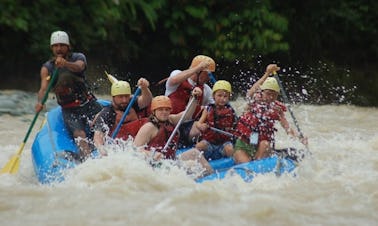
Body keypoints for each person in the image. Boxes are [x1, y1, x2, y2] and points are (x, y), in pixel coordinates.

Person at [35, 30, 102, 160]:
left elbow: (79, 67)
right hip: (70, 110)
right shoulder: (47, 68)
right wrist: (40, 102)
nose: (59, 48)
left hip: (88, 103)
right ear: (51, 48)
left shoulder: (78, 57)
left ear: (68, 46)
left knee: (104, 126)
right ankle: (88, 162)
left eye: (62, 45)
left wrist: (66, 64)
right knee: (79, 134)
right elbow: (43, 89)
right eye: (55, 46)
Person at [233, 64, 308, 163]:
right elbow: (250, 93)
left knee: (265, 144)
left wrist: (299, 139)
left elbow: (287, 127)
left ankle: (259, 161)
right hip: (244, 143)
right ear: (262, 92)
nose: (271, 97)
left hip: (261, 145)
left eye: (274, 94)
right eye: (268, 93)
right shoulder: (253, 101)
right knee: (246, 161)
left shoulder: (277, 109)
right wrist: (267, 73)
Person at [133, 93, 214, 177]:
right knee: (191, 167)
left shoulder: (170, 120)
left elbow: (187, 115)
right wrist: (152, 154)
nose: (164, 112)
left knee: (195, 153)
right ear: (154, 111)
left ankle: (212, 177)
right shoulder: (148, 127)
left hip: (170, 160)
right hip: (155, 166)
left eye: (167, 109)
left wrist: (194, 98)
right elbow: (135, 149)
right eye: (160, 109)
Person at [165, 55, 216, 147]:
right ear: (198, 72)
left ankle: (199, 147)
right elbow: (174, 80)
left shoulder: (206, 90)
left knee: (202, 128)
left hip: (187, 126)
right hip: (169, 122)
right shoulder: (177, 74)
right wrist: (199, 67)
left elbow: (215, 108)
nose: (209, 78)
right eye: (207, 74)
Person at [93, 76, 153, 154]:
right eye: (120, 97)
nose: (124, 100)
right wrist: (101, 149)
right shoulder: (107, 112)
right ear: (113, 97)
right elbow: (98, 134)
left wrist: (144, 88)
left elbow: (147, 100)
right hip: (120, 145)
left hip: (139, 141)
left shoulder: (132, 102)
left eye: (126, 96)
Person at [193, 80, 238, 161]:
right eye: (219, 95)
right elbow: (198, 124)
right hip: (209, 143)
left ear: (229, 97)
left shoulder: (231, 111)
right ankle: (198, 162)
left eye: (225, 96)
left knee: (230, 149)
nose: (222, 99)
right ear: (214, 96)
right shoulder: (208, 109)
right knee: (199, 146)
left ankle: (232, 165)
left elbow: (236, 128)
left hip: (223, 144)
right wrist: (201, 126)